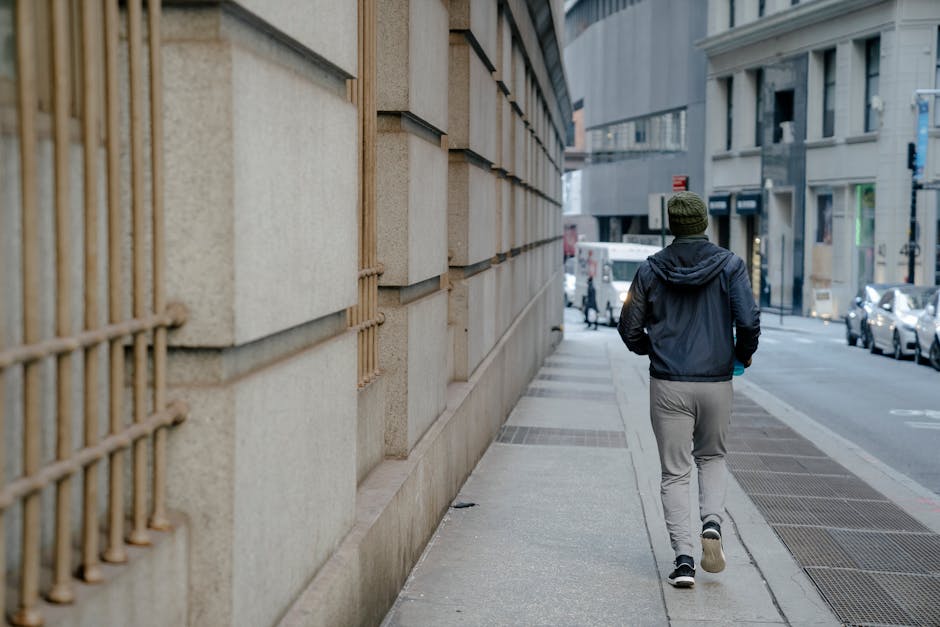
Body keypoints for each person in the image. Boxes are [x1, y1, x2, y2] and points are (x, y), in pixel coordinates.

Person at [618, 191, 760, 588]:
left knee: (674, 473)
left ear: (672, 226)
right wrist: (741, 355)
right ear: (703, 224)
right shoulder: (730, 265)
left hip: (668, 383)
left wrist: (654, 350)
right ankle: (712, 523)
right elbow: (748, 320)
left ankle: (684, 561)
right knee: (712, 457)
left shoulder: (650, 270)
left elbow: (629, 326)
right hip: (716, 381)